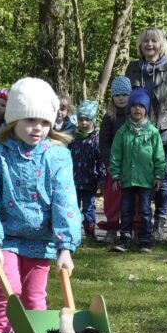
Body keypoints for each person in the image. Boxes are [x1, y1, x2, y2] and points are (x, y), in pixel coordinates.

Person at [0, 77, 81, 333]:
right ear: (14, 119)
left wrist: (65, 247)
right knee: (9, 294)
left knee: (34, 298)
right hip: (6, 238)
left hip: (42, 242)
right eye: (30, 120)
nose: (37, 128)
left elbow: (66, 201)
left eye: (44, 122)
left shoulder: (57, 156)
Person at [125, 27, 167, 240]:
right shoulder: (132, 68)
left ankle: (159, 221)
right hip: (134, 131)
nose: (149, 45)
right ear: (140, 45)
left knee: (160, 179)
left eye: (154, 41)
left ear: (161, 45)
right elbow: (124, 99)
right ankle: (136, 225)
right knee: (134, 178)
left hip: (161, 131)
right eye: (145, 41)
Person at [109, 88, 164, 253]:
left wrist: (159, 175)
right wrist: (116, 175)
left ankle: (145, 240)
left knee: (145, 211)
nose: (137, 109)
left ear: (146, 109)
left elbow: (159, 156)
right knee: (126, 210)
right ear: (129, 108)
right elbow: (116, 154)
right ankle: (125, 238)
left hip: (146, 179)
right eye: (134, 105)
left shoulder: (153, 132)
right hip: (127, 179)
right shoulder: (122, 132)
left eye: (141, 106)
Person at [96, 76, 134, 244]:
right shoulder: (108, 117)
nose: (121, 98)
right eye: (117, 95)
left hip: (133, 167)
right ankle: (111, 229)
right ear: (112, 97)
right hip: (114, 166)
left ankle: (135, 230)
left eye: (124, 94)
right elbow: (103, 143)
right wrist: (109, 163)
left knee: (136, 199)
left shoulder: (135, 116)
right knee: (113, 199)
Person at [70, 99, 105, 240]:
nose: (84, 123)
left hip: (90, 180)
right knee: (73, 208)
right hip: (73, 180)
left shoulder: (96, 139)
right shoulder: (72, 138)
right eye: (81, 119)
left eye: (87, 120)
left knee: (89, 208)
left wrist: (101, 177)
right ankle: (72, 233)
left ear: (93, 121)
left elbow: (101, 160)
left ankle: (90, 233)